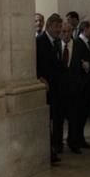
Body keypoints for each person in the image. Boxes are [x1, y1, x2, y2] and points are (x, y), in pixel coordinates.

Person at [57, 20, 89, 153]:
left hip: (74, 88)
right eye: (63, 31)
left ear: (72, 32)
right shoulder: (55, 45)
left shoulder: (78, 45)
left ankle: (73, 142)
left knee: (74, 118)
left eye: (68, 31)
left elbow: (86, 65)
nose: (65, 34)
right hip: (58, 89)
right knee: (58, 119)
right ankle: (57, 145)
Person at [37, 13, 64, 164]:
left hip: (57, 87)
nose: (58, 30)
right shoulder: (40, 41)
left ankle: (54, 147)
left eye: (60, 26)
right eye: (56, 27)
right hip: (46, 88)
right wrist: (40, 77)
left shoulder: (57, 42)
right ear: (48, 27)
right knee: (47, 121)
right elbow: (36, 63)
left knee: (56, 118)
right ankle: (48, 151)